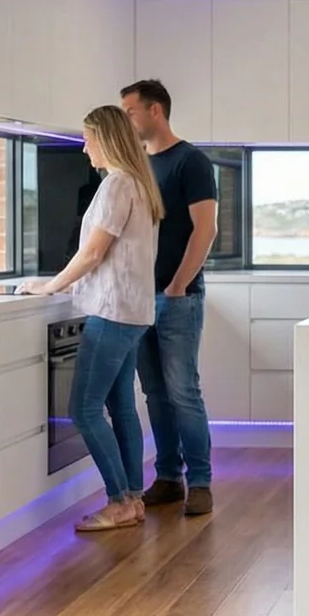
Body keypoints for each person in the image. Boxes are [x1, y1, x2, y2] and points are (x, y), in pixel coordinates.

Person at [20, 105, 164, 532]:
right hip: (133, 311)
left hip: (113, 313)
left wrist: (51, 286)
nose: (84, 148)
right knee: (121, 407)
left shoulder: (118, 185)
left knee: (83, 409)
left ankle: (119, 501)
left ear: (107, 139)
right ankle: (134, 499)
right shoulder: (138, 184)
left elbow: (93, 252)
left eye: (88, 139)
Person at [117, 79, 219, 518]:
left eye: (130, 112)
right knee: (154, 394)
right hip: (140, 300)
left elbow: (206, 229)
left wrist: (177, 286)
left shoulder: (191, 162)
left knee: (183, 393)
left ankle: (200, 482)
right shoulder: (139, 165)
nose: (126, 120)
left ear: (155, 111)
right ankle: (167, 477)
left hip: (178, 299)